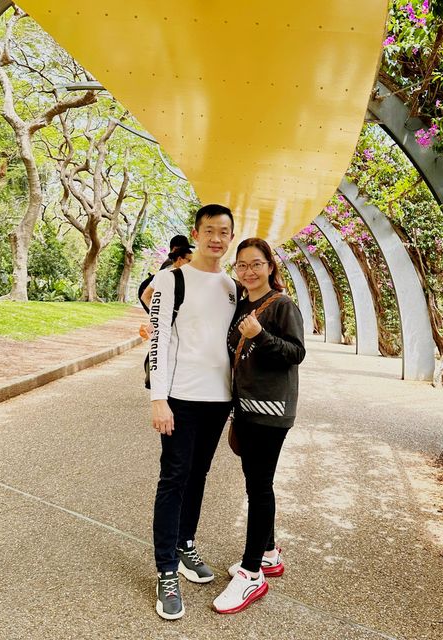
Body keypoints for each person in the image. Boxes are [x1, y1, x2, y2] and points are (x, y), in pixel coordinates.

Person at [149, 204, 237, 620]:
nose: (216, 239)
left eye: (224, 232)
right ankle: (166, 569)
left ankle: (186, 544)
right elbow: (159, 340)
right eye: (209, 231)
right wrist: (158, 398)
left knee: (198, 475)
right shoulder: (171, 278)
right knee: (173, 478)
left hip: (219, 399)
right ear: (196, 233)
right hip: (180, 398)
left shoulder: (232, 286)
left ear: (231, 237)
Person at [212, 237, 306, 615]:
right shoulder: (241, 305)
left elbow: (296, 352)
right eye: (242, 265)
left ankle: (252, 573)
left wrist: (261, 336)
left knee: (259, 487)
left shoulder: (283, 306)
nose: (248, 271)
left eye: (256, 264)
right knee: (255, 481)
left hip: (270, 411)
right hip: (246, 409)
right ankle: (267, 553)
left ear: (270, 265)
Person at [139, 246, 192, 314]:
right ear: (180, 259)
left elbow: (145, 296)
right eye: (189, 261)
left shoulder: (161, 274)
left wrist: (156, 314)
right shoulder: (175, 277)